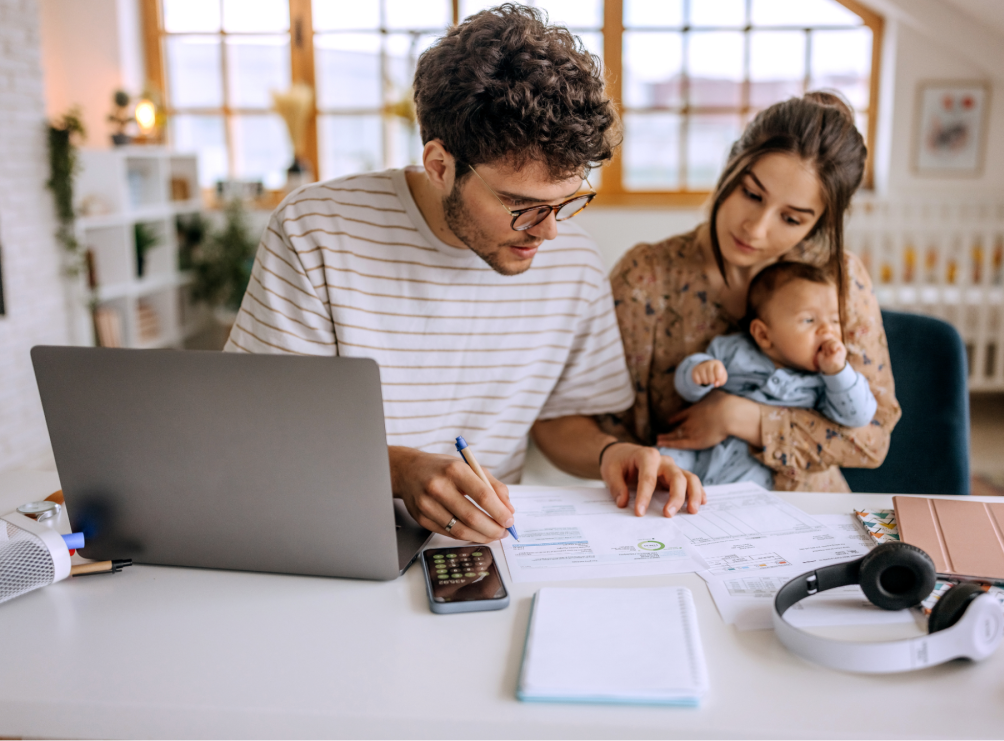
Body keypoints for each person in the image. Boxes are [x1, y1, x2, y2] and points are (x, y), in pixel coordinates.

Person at [224, 4, 705, 544]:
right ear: (439, 165)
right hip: (332, 530)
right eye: (521, 204)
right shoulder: (317, 230)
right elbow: (263, 431)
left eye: (566, 202)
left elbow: (558, 420)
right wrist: (402, 471)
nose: (547, 233)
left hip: (488, 545)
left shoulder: (573, 260)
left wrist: (612, 453)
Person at [602, 91, 902, 499]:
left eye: (791, 218)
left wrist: (741, 416)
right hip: (677, 506)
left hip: (808, 515)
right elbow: (601, 430)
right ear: (730, 165)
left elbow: (872, 440)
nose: (756, 228)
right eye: (752, 194)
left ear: (817, 225)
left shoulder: (840, 278)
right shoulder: (646, 277)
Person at [659, 261, 878, 488]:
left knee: (745, 493)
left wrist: (838, 372)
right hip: (700, 449)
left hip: (753, 463)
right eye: (809, 320)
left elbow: (858, 416)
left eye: (835, 320)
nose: (827, 330)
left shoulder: (825, 382)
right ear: (763, 335)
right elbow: (686, 390)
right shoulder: (734, 350)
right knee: (662, 461)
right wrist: (698, 372)